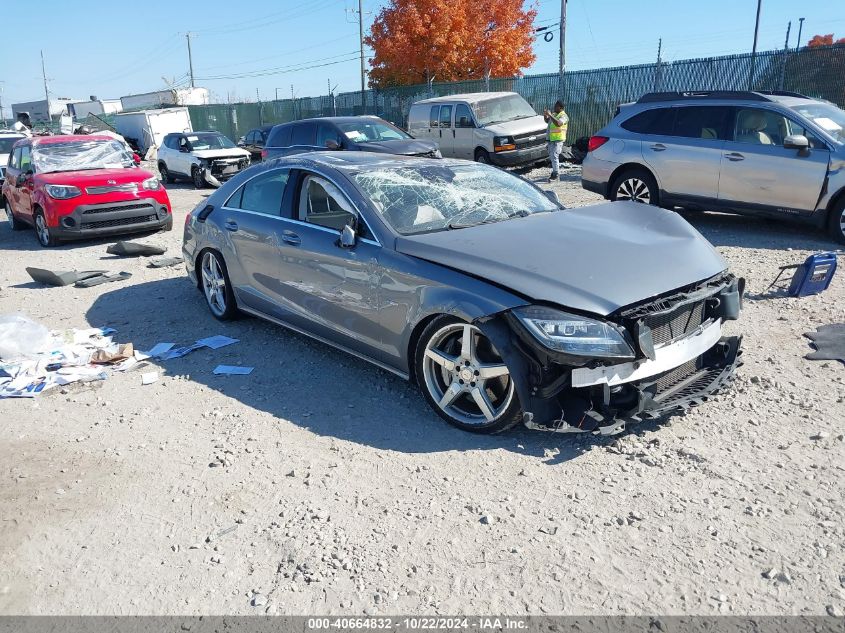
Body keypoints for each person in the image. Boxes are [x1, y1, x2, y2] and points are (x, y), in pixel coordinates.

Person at [543, 100, 569, 181]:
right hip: (551, 139)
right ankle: (555, 172)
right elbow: (548, 121)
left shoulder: (564, 116)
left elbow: (558, 124)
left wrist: (550, 115)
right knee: (552, 156)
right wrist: (546, 115)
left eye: (556, 106)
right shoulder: (554, 114)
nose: (554, 107)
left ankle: (556, 174)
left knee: (554, 156)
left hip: (558, 139)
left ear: (561, 108)